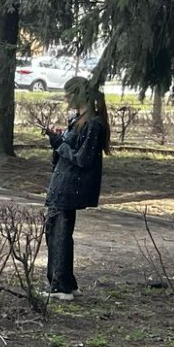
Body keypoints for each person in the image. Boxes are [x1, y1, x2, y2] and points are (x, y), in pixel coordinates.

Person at [42, 77, 109, 301]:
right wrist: (59, 139)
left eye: (69, 93)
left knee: (59, 235)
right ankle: (66, 283)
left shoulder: (92, 123)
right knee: (55, 233)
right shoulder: (79, 121)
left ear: (78, 95)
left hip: (70, 187)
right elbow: (71, 148)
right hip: (62, 184)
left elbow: (83, 158)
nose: (66, 98)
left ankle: (60, 285)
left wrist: (59, 145)